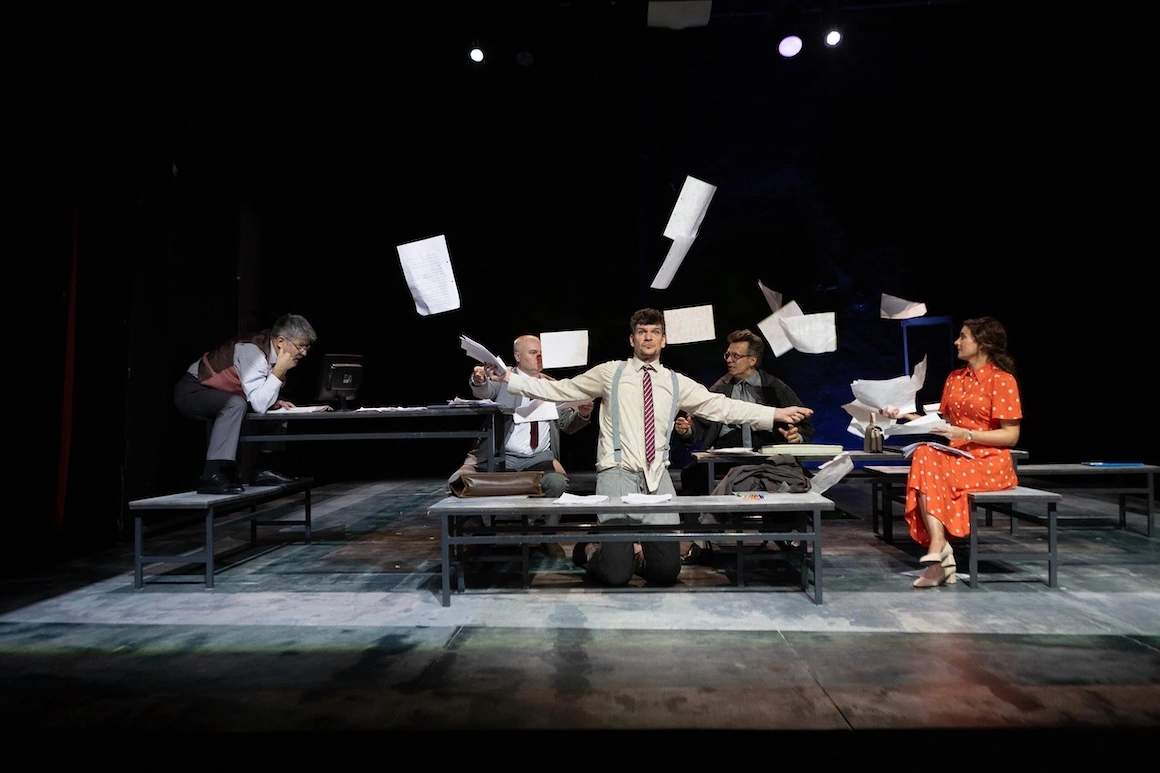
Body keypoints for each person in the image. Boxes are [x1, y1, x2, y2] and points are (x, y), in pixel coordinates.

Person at [481, 308, 814, 588]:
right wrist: (508, 378)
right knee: (616, 576)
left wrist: (775, 414)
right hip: (617, 473)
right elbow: (561, 390)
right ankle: (590, 550)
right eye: (642, 332)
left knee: (666, 572)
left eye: (655, 332)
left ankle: (633, 555)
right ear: (632, 339)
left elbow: (722, 407)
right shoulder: (610, 373)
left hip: (657, 477)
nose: (648, 338)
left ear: (663, 340)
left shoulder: (674, 381)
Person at [882, 316, 1023, 588]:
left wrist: (967, 434)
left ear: (982, 343)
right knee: (924, 454)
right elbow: (943, 426)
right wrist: (903, 416)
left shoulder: (1002, 380)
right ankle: (939, 548)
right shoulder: (955, 378)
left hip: (989, 462)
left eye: (963, 336)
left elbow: (1011, 436)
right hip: (957, 458)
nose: (957, 342)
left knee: (930, 468)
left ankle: (939, 555)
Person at [672, 328, 816, 564]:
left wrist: (795, 436)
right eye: (727, 355)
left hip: (765, 456)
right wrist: (686, 430)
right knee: (693, 475)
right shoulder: (720, 388)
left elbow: (803, 425)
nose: (729, 360)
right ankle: (699, 541)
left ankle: (785, 534)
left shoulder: (774, 387)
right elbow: (699, 425)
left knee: (790, 477)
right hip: (726, 457)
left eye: (735, 356)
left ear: (752, 360)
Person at [451, 335, 594, 554]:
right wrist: (479, 380)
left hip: (539, 459)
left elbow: (567, 425)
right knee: (458, 481)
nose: (539, 357)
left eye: (542, 353)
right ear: (517, 356)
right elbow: (484, 390)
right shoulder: (503, 378)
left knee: (557, 483)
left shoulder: (552, 386)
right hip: (501, 456)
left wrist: (582, 414)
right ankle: (479, 537)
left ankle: (547, 536)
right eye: (533, 353)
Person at [174, 313, 317, 495]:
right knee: (235, 404)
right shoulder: (252, 352)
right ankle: (212, 474)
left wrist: (275, 401)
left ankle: (264, 470)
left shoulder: (275, 354)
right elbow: (258, 404)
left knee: (278, 409)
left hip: (223, 393)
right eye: (301, 346)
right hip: (194, 390)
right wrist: (278, 371)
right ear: (281, 341)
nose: (304, 353)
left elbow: (260, 396)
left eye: (307, 347)